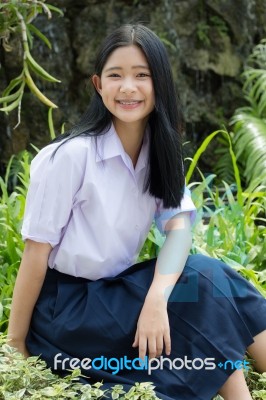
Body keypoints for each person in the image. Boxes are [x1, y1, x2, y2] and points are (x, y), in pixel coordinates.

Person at [7, 24, 266, 400]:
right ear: (98, 84)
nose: (128, 87)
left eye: (141, 75)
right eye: (116, 75)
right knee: (204, 279)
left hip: (113, 294)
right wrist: (16, 342)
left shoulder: (160, 151)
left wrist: (156, 299)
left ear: (159, 83)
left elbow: (178, 229)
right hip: (67, 311)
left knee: (206, 282)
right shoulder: (70, 157)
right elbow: (36, 253)